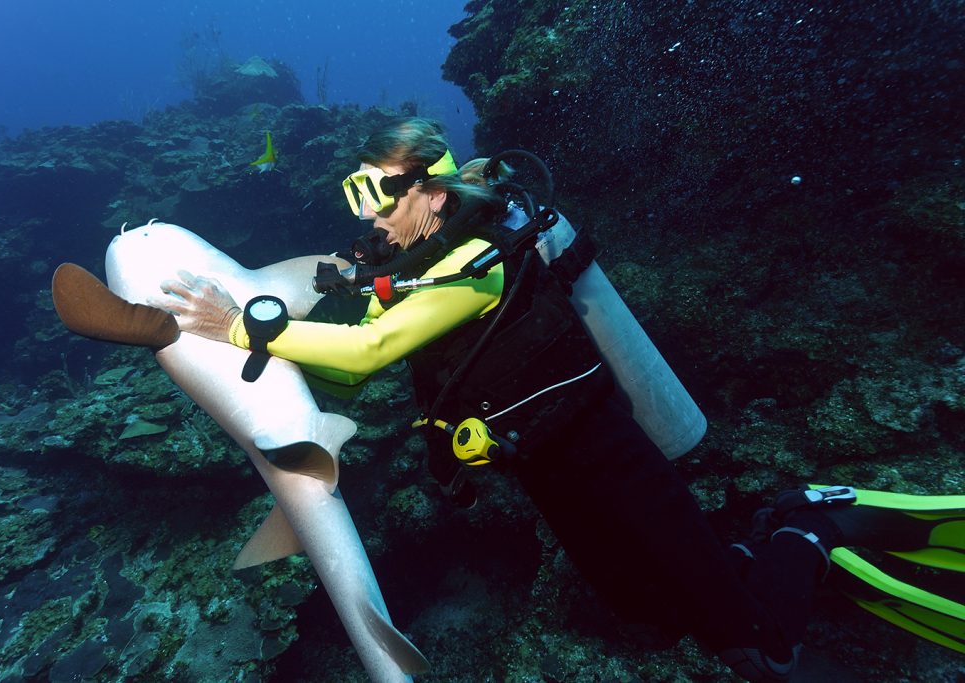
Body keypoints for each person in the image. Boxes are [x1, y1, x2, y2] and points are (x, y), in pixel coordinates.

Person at [150, 118, 965, 681]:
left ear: (433, 192)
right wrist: (271, 353)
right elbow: (350, 369)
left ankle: (811, 521)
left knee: (762, 650)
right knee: (645, 616)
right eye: (361, 195)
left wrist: (245, 330)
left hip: (604, 453)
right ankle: (743, 560)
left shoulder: (479, 260)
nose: (371, 212)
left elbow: (371, 345)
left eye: (385, 195)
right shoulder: (404, 270)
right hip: (543, 471)